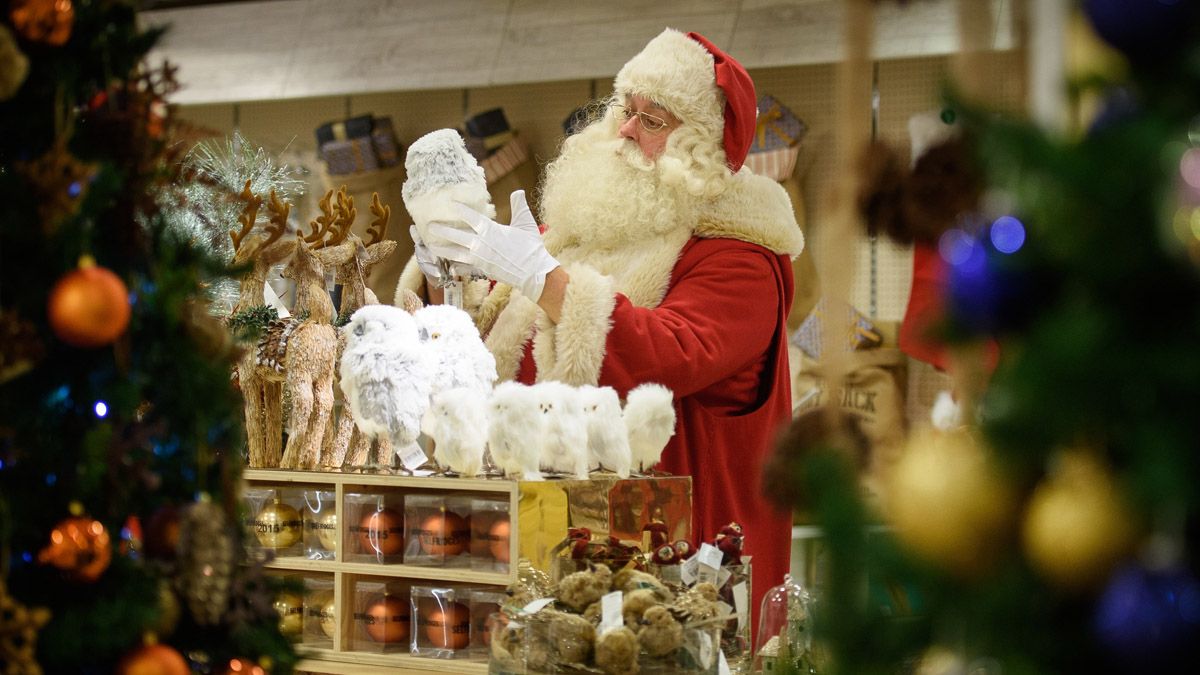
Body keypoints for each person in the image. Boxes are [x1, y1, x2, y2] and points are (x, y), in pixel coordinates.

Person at [397, 28, 804, 619]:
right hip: (547, 546)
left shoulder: (739, 256)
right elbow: (503, 343)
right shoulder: (586, 231)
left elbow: (667, 357)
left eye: (654, 120)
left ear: (704, 145)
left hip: (674, 576)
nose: (626, 132)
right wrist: (449, 273)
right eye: (626, 110)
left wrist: (549, 282)